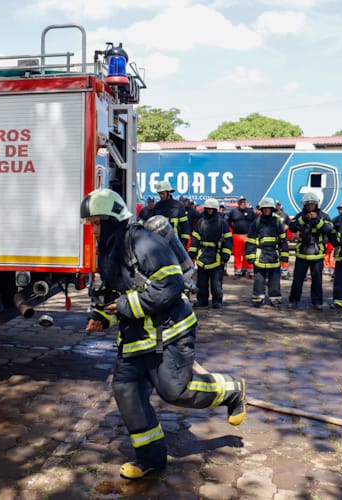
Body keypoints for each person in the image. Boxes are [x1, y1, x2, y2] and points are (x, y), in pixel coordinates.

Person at [81, 189, 246, 480]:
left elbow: (169, 287)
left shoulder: (143, 241)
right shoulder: (109, 249)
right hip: (136, 337)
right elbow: (113, 293)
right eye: (91, 224)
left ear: (110, 220)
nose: (92, 230)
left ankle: (231, 389)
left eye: (96, 223)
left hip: (170, 332)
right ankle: (151, 458)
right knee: (126, 391)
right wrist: (101, 316)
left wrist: (123, 306)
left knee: (174, 391)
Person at [287, 192, 333, 309]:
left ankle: (317, 302)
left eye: (312, 204)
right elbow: (292, 227)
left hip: (317, 253)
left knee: (317, 279)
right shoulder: (300, 216)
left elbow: (329, 229)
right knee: (298, 279)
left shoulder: (324, 216)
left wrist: (317, 220)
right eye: (307, 205)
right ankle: (293, 300)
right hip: (302, 253)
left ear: (317, 205)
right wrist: (303, 219)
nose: (310, 207)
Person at [189, 198, 233, 309]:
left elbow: (228, 239)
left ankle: (217, 300)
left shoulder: (221, 222)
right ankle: (202, 300)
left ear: (215, 210)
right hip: (203, 255)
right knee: (201, 282)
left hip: (216, 256)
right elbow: (195, 238)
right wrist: (193, 252)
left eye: (211, 209)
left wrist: (225, 255)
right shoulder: (201, 222)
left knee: (216, 283)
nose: (209, 211)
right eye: (208, 209)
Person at [245, 197, 289, 307]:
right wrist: (250, 255)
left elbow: (283, 240)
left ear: (272, 209)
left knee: (275, 279)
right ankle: (258, 299)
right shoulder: (256, 223)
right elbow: (250, 240)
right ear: (262, 209)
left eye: (269, 208)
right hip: (260, 255)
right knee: (259, 279)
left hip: (274, 255)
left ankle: (275, 299)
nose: (267, 210)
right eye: (265, 208)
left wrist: (284, 256)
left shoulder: (277, 223)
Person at [151, 180, 191, 251]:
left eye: (163, 193)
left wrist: (184, 243)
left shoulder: (178, 206)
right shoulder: (157, 206)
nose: (161, 196)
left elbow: (185, 226)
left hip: (175, 243)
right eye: (159, 194)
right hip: (160, 243)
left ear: (168, 192)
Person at [226, 196, 256, 278]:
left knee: (248, 254)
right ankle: (238, 271)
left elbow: (255, 223)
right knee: (237, 254)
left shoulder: (250, 212)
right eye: (241, 202)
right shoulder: (233, 212)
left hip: (248, 236)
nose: (243, 203)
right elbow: (228, 223)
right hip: (237, 236)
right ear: (238, 203)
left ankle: (249, 271)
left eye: (244, 202)